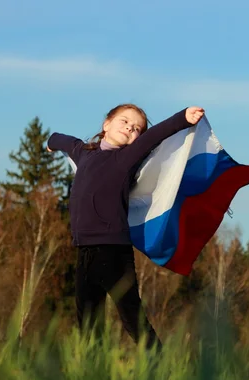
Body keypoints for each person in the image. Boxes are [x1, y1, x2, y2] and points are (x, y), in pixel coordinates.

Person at [46, 104, 205, 350]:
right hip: (84, 251)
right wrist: (51, 142)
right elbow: (62, 140)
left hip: (113, 251)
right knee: (87, 322)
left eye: (136, 128)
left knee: (132, 317)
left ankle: (160, 365)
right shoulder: (83, 152)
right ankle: (92, 374)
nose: (130, 127)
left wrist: (184, 117)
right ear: (106, 124)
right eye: (124, 121)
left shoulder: (126, 158)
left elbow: (157, 134)